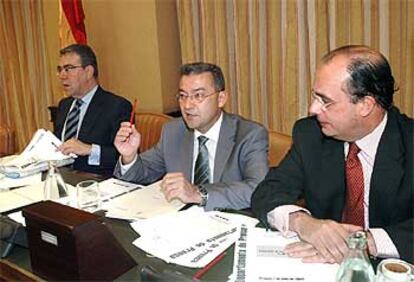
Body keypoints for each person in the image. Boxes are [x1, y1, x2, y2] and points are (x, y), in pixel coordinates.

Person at [251, 45, 413, 264]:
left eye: (325, 101)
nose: (313, 109)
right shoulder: (311, 134)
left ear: (365, 105)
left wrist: (363, 242)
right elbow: (267, 192)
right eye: (315, 97)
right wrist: (302, 223)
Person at [114, 62, 268, 211]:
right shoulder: (173, 131)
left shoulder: (250, 135)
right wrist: (129, 157)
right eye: (183, 96)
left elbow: (259, 189)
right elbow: (143, 172)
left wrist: (198, 194)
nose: (187, 105)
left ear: (221, 98)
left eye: (198, 95)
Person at [54, 44, 132, 175]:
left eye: (68, 69)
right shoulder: (64, 105)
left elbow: (125, 156)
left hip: (95, 182)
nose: (62, 75)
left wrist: (90, 150)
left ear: (88, 71)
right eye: (60, 69)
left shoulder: (117, 106)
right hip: (60, 178)